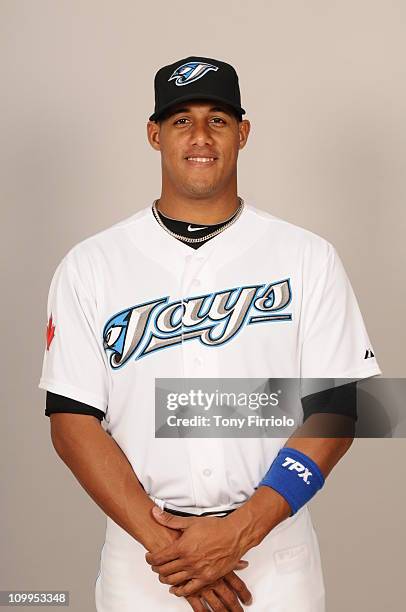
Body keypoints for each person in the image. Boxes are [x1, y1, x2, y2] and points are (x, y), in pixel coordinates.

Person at [38, 56, 382, 611]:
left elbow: (342, 407)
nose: (200, 136)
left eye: (218, 119)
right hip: (144, 560)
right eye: (181, 120)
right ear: (154, 134)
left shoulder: (307, 256)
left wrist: (242, 530)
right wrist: (170, 551)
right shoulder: (92, 264)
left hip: (272, 553)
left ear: (243, 133)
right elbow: (71, 420)